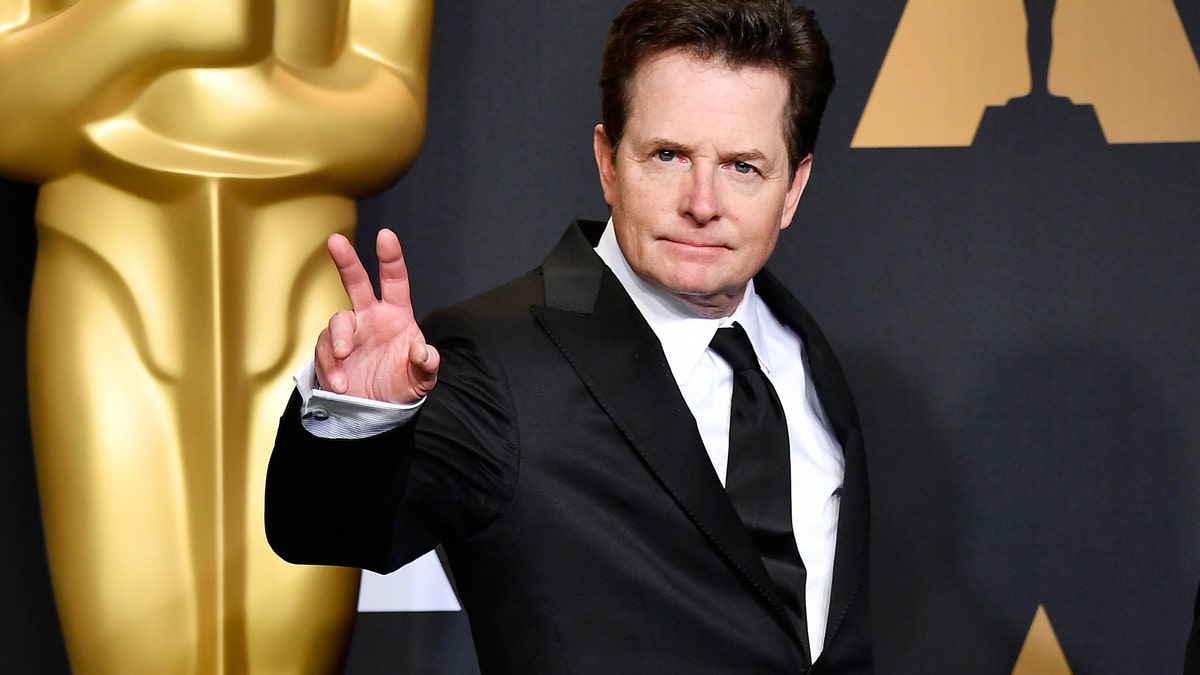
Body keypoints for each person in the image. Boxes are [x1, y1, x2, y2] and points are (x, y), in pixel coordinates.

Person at [265, 0, 872, 672]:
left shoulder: (804, 355)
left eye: (742, 167)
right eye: (668, 155)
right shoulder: (500, 359)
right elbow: (326, 523)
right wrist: (358, 420)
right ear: (608, 161)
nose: (703, 203)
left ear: (794, 186)